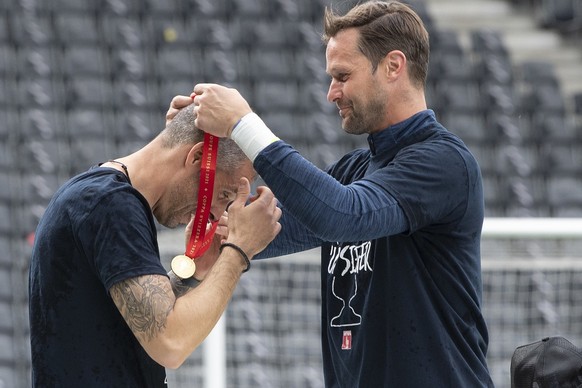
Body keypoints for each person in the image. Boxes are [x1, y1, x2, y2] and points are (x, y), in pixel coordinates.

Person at [181, 1, 494, 386]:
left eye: (342, 76)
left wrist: (242, 125)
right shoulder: (353, 171)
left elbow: (343, 216)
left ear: (394, 66)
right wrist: (196, 151)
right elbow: (257, 229)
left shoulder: (444, 162)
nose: (332, 93)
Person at [28, 103, 282, 387]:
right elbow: (169, 343)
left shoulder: (99, 195)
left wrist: (194, 272)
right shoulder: (111, 205)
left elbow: (136, 323)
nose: (218, 214)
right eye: (224, 194)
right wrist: (239, 250)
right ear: (198, 157)